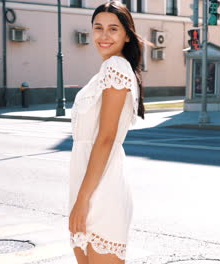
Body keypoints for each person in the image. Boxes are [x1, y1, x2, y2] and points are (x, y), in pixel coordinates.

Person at [68, 1, 146, 263]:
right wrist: (79, 197)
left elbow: (106, 138)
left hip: (101, 190)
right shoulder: (107, 70)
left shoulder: (116, 68)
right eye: (98, 27)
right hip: (87, 184)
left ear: (126, 34)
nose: (104, 35)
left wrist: (82, 200)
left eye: (113, 29)